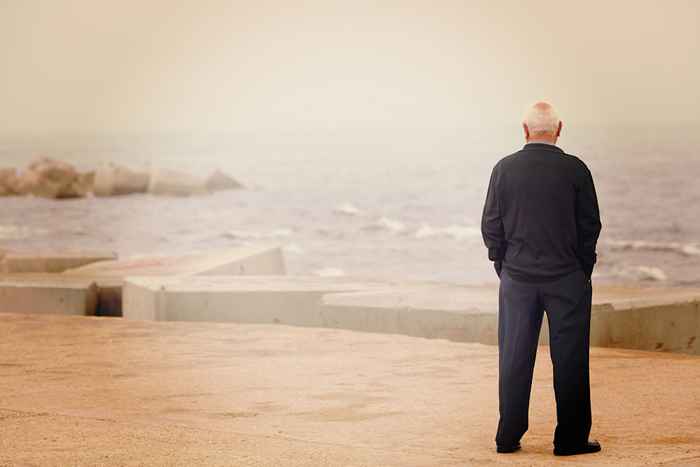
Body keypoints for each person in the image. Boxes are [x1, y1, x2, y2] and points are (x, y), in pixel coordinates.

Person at [481, 101, 602, 456]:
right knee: (570, 359)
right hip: (566, 278)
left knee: (515, 356)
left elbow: (491, 224)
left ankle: (508, 436)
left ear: (525, 129)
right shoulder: (575, 170)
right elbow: (590, 225)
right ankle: (570, 439)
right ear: (559, 129)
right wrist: (582, 269)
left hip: (518, 278)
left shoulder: (504, 169)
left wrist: (502, 264)